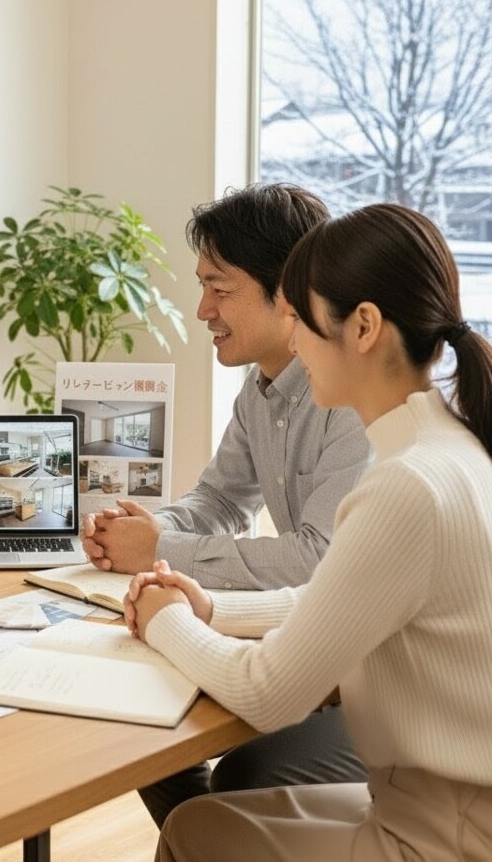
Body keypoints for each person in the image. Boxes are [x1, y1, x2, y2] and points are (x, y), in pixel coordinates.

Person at [126, 203, 492, 861]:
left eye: (301, 319)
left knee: (192, 828)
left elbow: (266, 695)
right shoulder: (451, 448)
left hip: (443, 836)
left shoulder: (405, 484)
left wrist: (165, 621)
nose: (292, 344)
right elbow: (349, 595)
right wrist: (210, 607)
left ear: (363, 327)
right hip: (439, 806)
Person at [82, 183, 371, 825]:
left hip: (381, 684)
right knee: (148, 732)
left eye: (220, 287)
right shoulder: (261, 385)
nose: (201, 309)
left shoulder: (356, 399)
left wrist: (161, 551)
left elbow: (321, 562)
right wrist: (151, 529)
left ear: (289, 292)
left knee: (243, 773)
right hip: (320, 645)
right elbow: (219, 497)